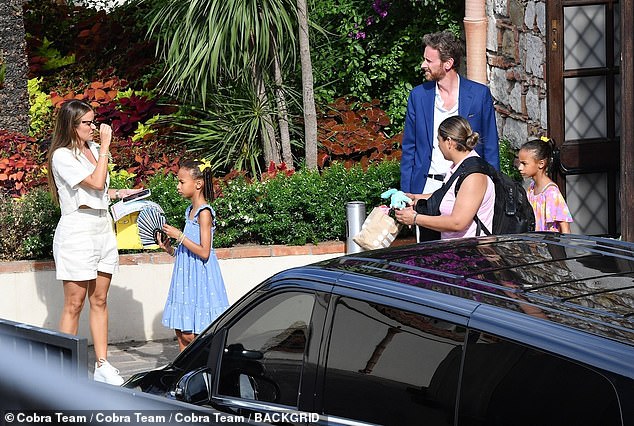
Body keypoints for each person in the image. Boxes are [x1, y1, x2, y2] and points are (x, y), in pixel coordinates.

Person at [47, 99, 143, 385]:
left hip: (102, 226)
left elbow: (101, 190)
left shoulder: (94, 150)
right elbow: (96, 183)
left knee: (100, 299)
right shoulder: (62, 156)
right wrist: (105, 150)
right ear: (72, 125)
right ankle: (64, 370)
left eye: (93, 121)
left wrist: (124, 192)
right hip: (77, 230)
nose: (93, 126)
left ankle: (102, 364)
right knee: (74, 304)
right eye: (87, 123)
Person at [400, 31, 499, 195]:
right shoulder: (418, 97)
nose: (423, 65)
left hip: (467, 188)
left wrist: (494, 191)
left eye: (429, 61)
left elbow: (490, 148)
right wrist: (406, 193)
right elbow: (409, 148)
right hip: (426, 186)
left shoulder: (479, 95)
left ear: (448, 63)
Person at [157, 159, 229, 352]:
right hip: (186, 277)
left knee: (195, 335)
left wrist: (179, 236)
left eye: (181, 182)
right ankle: (184, 376)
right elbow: (189, 248)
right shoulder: (190, 210)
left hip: (201, 278)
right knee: (181, 332)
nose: (178, 186)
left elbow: (205, 251)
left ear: (198, 184)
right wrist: (171, 249)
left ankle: (203, 375)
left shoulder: (204, 213)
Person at [395, 116, 495, 239]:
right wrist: (415, 197)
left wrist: (415, 218)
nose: (438, 145)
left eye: (439, 140)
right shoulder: (459, 167)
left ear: (449, 142)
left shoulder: (474, 176)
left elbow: (458, 223)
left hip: (472, 252)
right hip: (454, 250)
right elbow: (448, 195)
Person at [517, 138, 573, 233]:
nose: (520, 168)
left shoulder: (551, 192)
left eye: (524, 164)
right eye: (520, 163)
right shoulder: (531, 188)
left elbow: (565, 227)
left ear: (541, 164)